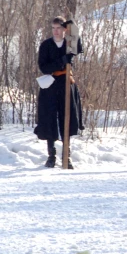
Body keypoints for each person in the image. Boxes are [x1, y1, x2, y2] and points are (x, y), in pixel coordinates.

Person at [34, 16, 84, 169]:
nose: (56, 31)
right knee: (50, 120)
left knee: (67, 120)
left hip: (66, 85)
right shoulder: (46, 45)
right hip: (50, 86)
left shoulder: (69, 44)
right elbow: (44, 67)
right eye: (53, 28)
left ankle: (66, 157)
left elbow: (78, 46)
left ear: (64, 30)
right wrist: (62, 60)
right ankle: (51, 155)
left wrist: (72, 26)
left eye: (59, 28)